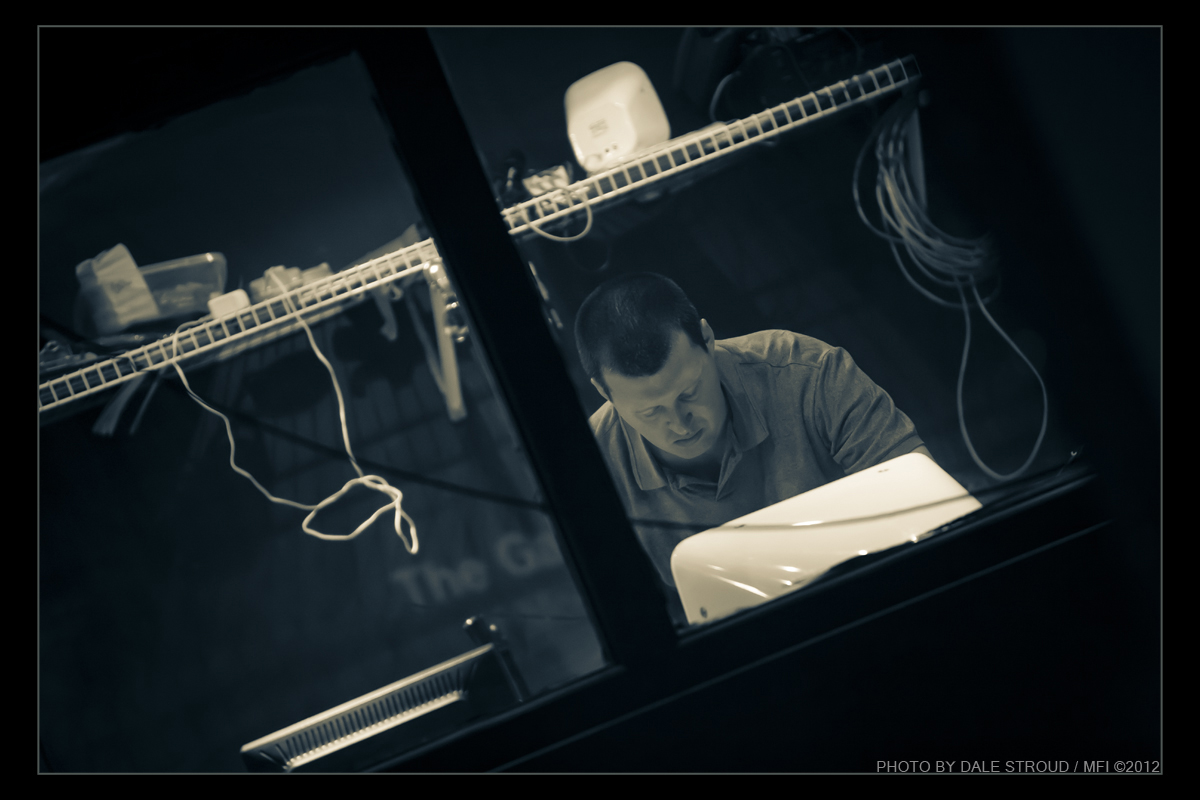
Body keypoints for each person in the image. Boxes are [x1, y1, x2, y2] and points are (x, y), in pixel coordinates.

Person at [574, 272, 932, 594]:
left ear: (708, 340)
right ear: (604, 392)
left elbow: (926, 504)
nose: (681, 424)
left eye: (689, 393)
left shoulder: (807, 374)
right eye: (650, 412)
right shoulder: (593, 471)